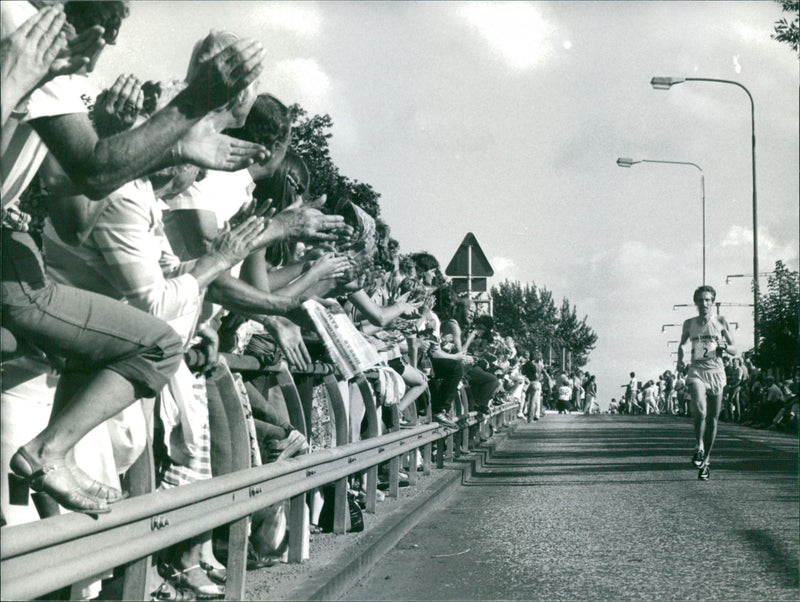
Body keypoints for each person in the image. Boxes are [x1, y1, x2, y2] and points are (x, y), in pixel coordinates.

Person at [677, 285, 736, 481]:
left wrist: (725, 346)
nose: (704, 303)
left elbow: (735, 349)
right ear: (696, 302)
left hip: (717, 372)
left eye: (708, 300)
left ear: (713, 302)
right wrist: (679, 360)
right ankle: (698, 445)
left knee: (712, 419)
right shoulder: (689, 323)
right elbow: (681, 345)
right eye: (701, 300)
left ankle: (706, 461)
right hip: (697, 370)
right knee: (700, 412)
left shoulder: (720, 321)